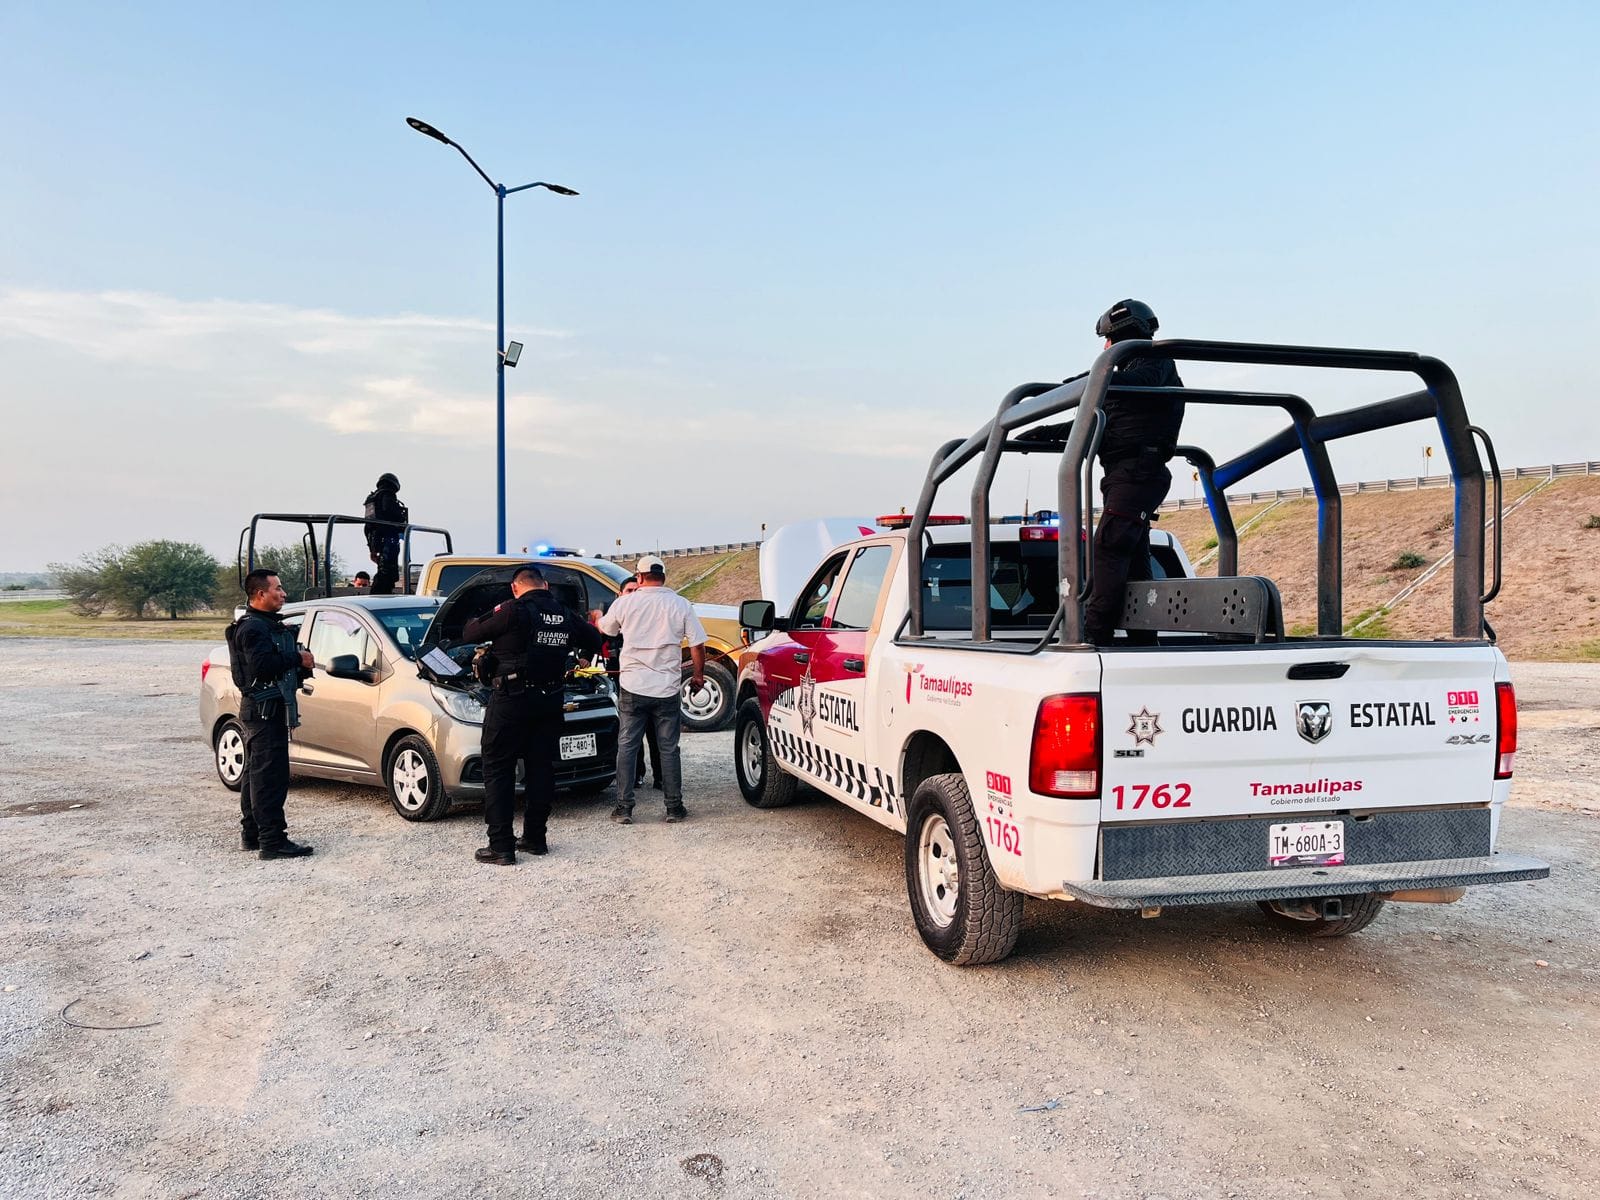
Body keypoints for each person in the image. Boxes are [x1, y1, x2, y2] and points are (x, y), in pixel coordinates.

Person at [1027, 299, 1185, 644]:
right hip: (1124, 473)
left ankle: (1093, 634)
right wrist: (1043, 432)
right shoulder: (1122, 381)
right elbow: (1093, 423)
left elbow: (1124, 385)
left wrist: (1097, 375)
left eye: (1108, 342)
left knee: (1110, 548)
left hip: (1137, 472)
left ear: (1122, 336)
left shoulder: (1154, 364)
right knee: (1134, 558)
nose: (1104, 349)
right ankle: (1143, 639)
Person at [462, 565, 604, 865]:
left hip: (511, 701)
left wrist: (478, 618)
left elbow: (470, 632)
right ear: (547, 585)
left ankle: (501, 846)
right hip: (550, 700)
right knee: (542, 769)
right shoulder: (564, 614)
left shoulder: (513, 610)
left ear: (515, 588)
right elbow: (594, 640)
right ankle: (535, 839)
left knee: (498, 767)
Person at [598, 556, 707, 824]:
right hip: (666, 688)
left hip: (633, 687)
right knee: (669, 748)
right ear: (663, 577)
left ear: (640, 577)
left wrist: (598, 617)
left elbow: (607, 629)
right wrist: (698, 675)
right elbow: (698, 645)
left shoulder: (626, 602)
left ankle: (624, 808)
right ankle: (674, 807)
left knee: (627, 746)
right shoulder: (681, 604)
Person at [227, 569, 315, 859]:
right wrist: (297, 658)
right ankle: (273, 842)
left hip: (264, 711)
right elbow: (262, 667)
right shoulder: (253, 628)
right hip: (264, 712)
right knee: (270, 778)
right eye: (277, 589)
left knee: (256, 774)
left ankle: (252, 835)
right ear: (260, 594)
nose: (283, 593)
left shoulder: (264, 625)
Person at [600, 579, 663, 790]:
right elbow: (597, 639)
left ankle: (661, 777)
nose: (634, 594)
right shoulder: (615, 616)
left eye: (637, 590)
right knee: (630, 735)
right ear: (619, 594)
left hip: (652, 681)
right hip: (622, 681)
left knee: (656, 733)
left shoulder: (649, 616)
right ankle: (635, 775)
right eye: (629, 590)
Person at [362, 473, 408, 595]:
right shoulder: (387, 495)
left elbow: (368, 526)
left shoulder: (371, 499)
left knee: (384, 571)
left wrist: (372, 548)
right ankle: (380, 594)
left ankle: (381, 593)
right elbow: (392, 514)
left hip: (376, 540)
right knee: (388, 573)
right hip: (388, 538)